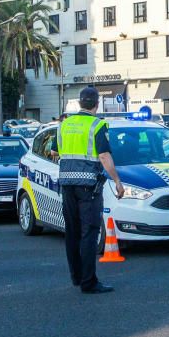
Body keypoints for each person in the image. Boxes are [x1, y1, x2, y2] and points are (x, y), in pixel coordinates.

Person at [56, 87, 124, 294]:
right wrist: (117, 181)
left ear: (79, 103)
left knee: (73, 233)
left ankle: (76, 277)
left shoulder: (64, 125)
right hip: (88, 187)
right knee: (89, 232)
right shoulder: (98, 124)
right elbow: (104, 156)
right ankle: (89, 282)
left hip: (67, 185)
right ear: (96, 104)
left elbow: (55, 151)